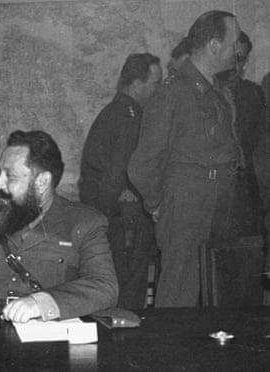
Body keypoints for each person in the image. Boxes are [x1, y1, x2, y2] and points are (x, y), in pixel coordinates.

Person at [0, 130, 118, 328]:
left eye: (11, 176)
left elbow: (103, 285)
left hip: (48, 337)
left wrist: (41, 303)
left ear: (42, 182)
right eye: (0, 173)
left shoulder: (84, 223)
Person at [128, 10, 243, 307]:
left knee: (218, 294)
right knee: (180, 296)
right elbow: (141, 165)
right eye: (234, 42)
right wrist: (157, 204)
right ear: (214, 45)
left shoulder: (217, 92)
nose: (238, 50)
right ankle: (168, 354)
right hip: (186, 208)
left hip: (221, 204)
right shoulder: (172, 94)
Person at [80, 53, 162, 309]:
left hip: (113, 221)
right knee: (129, 296)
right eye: (155, 84)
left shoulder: (114, 112)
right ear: (137, 85)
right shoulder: (129, 119)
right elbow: (117, 176)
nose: (158, 90)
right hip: (125, 222)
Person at [216, 32, 269, 238]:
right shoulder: (204, 93)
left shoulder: (253, 94)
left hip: (246, 190)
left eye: (240, 59)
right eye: (232, 57)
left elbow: (261, 144)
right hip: (213, 192)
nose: (234, 65)